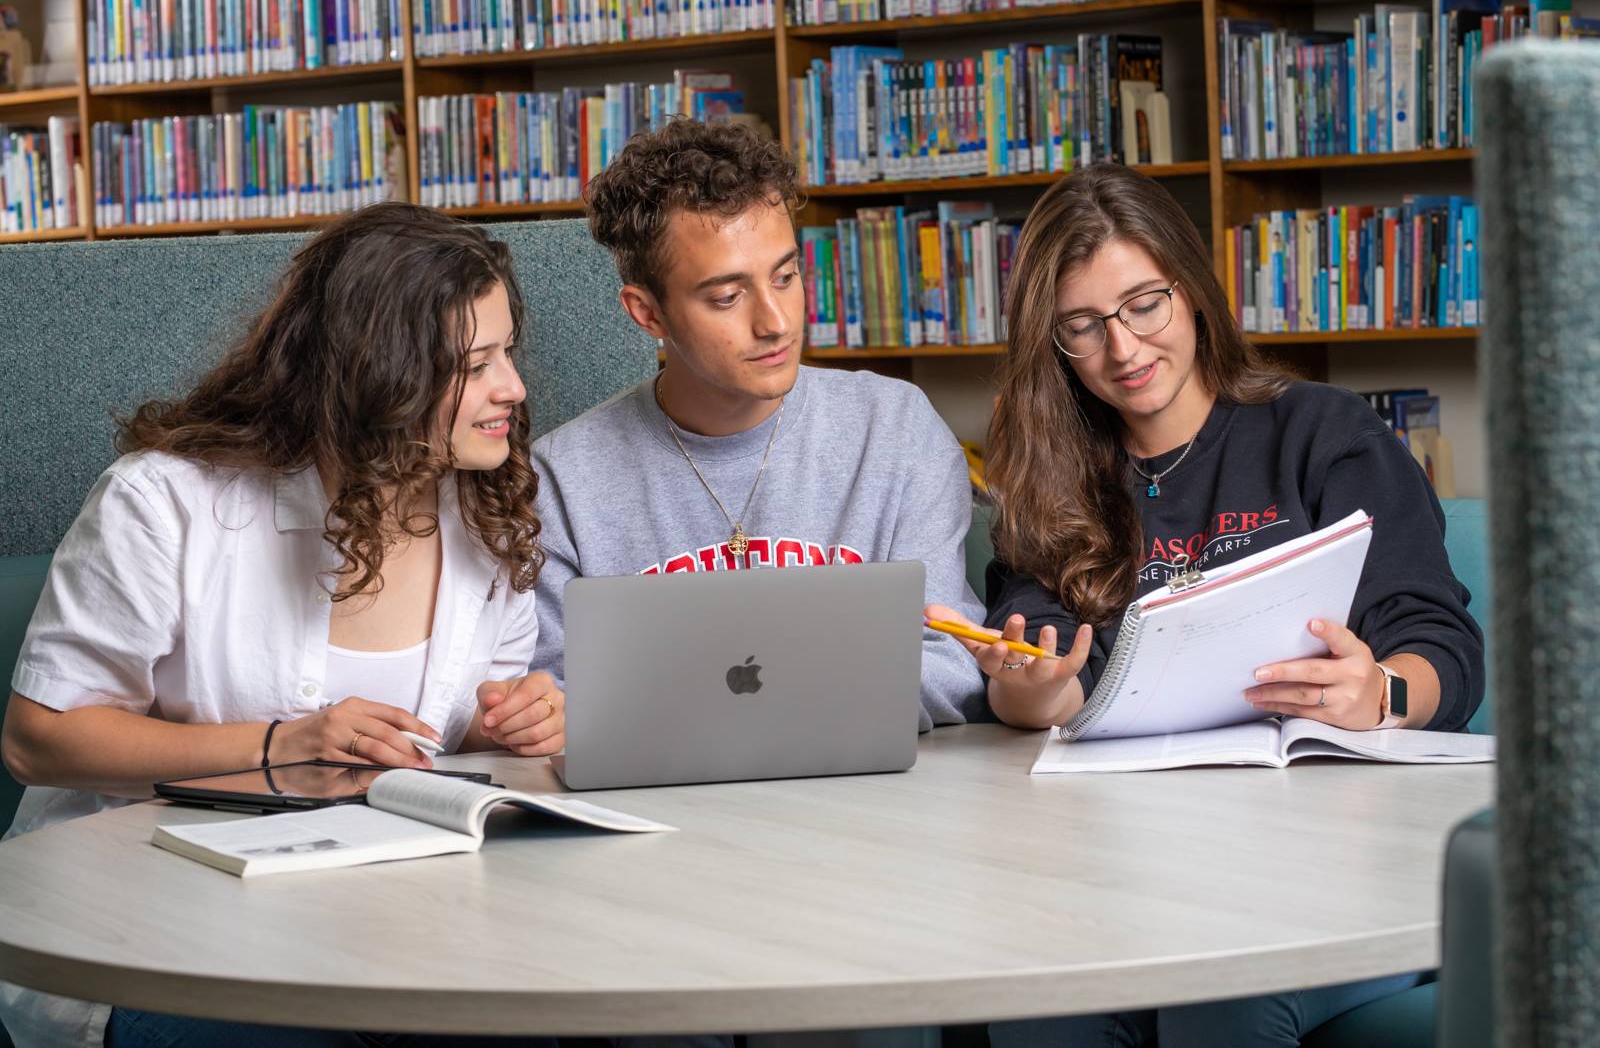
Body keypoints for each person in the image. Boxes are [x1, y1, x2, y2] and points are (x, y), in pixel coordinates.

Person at [926, 164, 1484, 1047]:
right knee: (1039, 1004)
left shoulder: (1326, 434)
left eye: (1144, 304)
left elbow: (1441, 647)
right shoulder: (1051, 480)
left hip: (1332, 864)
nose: (1123, 348)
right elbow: (1046, 667)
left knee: (1219, 996)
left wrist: (1377, 690)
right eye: (1083, 326)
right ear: (1054, 342)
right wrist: (1031, 691)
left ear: (1190, 290)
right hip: (1122, 865)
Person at [0, 204, 564, 1048]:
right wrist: (280, 745)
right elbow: (38, 741)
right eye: (477, 362)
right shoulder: (165, 502)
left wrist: (503, 724)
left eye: (508, 351)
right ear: (382, 373)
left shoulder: (490, 516)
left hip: (402, 925)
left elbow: (451, 745)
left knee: (527, 1029)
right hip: (155, 926)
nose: (513, 388)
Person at [530, 118, 986, 732]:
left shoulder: (897, 429)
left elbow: (952, 664)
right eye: (726, 297)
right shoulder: (562, 478)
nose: (775, 322)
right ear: (647, 312)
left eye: (786, 277)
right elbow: (552, 698)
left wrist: (712, 711)